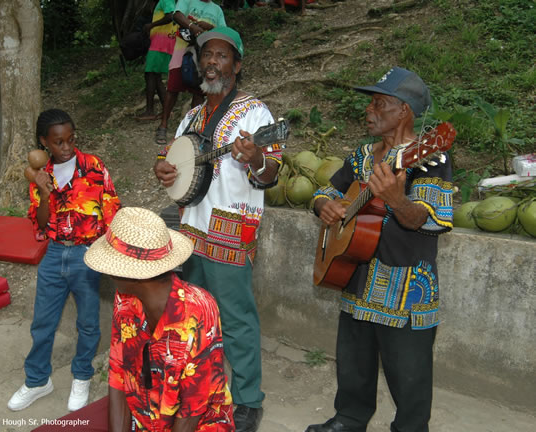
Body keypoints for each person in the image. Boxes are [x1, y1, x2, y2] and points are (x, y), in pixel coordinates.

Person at [306, 67, 453, 432]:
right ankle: (349, 419)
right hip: (355, 274)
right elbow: (328, 191)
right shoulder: (361, 157)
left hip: (406, 285)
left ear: (404, 110)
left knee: (410, 374)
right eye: (370, 102)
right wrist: (323, 205)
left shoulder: (430, 157)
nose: (369, 110)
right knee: (353, 362)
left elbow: (428, 219)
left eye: (379, 103)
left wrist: (397, 200)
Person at [154, 27, 283, 432]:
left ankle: (247, 400)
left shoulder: (255, 114)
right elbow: (176, 167)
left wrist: (257, 156)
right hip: (191, 226)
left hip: (230, 227)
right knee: (193, 314)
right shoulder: (191, 115)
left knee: (235, 315)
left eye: (222, 56)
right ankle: (201, 387)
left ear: (237, 65)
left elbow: (270, 174)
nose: (212, 61)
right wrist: (165, 171)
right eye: (206, 54)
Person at [7, 109, 121, 412]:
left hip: (87, 253)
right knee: (42, 322)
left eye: (71, 139)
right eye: (58, 142)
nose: (67, 147)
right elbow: (42, 225)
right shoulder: (40, 174)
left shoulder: (93, 166)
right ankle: (37, 380)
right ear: (44, 142)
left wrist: (112, 250)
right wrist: (44, 192)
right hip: (55, 252)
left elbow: (111, 209)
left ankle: (82, 376)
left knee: (87, 322)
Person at [84, 207, 234, 431]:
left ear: (131, 275)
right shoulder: (125, 299)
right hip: (145, 419)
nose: (107, 272)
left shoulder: (198, 312)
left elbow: (193, 409)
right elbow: (119, 375)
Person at [155, 0, 226, 145]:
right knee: (173, 88)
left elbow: (223, 31)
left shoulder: (217, 9)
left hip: (204, 56)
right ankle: (163, 125)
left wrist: (210, 27)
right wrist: (193, 27)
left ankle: (192, 129)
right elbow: (177, 15)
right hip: (182, 49)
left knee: (199, 92)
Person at [136, 0, 178, 121]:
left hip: (161, 42)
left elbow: (170, 16)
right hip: (164, 42)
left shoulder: (166, 0)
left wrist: (152, 25)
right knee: (156, 76)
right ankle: (167, 110)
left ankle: (149, 111)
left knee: (150, 74)